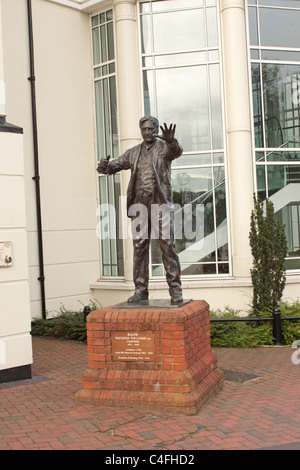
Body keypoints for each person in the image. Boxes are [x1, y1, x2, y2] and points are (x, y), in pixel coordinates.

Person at [97, 115, 183, 304]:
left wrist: (171, 140)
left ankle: (175, 290)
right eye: (144, 129)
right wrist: (104, 166)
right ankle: (141, 290)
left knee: (168, 246)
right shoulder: (133, 152)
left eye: (151, 129)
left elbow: (176, 151)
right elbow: (114, 166)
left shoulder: (164, 148)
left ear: (157, 129)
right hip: (139, 206)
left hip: (160, 204)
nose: (148, 132)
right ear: (140, 130)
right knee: (139, 248)